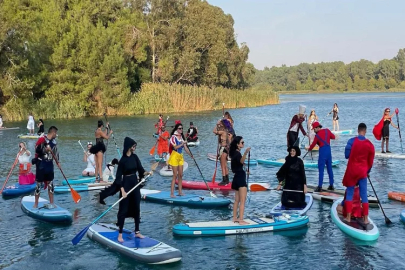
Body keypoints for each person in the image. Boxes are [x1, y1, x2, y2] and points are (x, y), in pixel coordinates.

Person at [116, 137, 151, 242]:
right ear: (129, 147)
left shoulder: (135, 157)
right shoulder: (122, 161)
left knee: (137, 207)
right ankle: (120, 234)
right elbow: (118, 178)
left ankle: (137, 231)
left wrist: (147, 173)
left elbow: (141, 170)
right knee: (123, 209)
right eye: (133, 146)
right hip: (126, 185)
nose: (135, 148)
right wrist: (122, 190)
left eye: (135, 146)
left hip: (135, 185)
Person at [342, 123, 375, 224]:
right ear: (365, 131)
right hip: (362, 172)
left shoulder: (351, 141)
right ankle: (365, 219)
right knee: (364, 194)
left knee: (350, 193)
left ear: (358, 130)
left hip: (352, 171)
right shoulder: (370, 144)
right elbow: (371, 161)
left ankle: (348, 217)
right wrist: (367, 171)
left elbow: (346, 155)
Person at [33, 126, 58, 208]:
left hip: (50, 164)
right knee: (39, 184)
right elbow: (36, 149)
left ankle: (52, 203)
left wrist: (58, 162)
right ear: (53, 132)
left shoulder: (54, 142)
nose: (56, 135)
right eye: (56, 133)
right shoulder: (42, 139)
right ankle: (36, 204)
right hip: (41, 164)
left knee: (50, 184)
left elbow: (56, 152)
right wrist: (45, 150)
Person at [309, 121, 336, 192]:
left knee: (321, 170)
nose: (314, 130)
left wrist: (309, 149)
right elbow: (333, 137)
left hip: (322, 152)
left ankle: (320, 187)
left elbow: (313, 145)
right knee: (329, 168)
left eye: (314, 129)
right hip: (328, 151)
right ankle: (331, 185)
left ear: (317, 128)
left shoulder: (317, 136)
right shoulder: (327, 130)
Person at [229, 136, 250, 224]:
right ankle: (241, 219)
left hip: (236, 177)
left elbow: (239, 164)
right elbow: (241, 161)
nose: (243, 144)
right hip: (241, 178)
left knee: (237, 200)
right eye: (242, 142)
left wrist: (245, 169)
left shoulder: (234, 154)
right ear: (237, 145)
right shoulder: (238, 154)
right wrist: (245, 153)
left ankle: (234, 217)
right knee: (242, 200)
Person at [168, 123, 193, 197]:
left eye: (182, 128)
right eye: (179, 128)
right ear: (176, 129)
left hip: (180, 156)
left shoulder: (182, 137)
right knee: (175, 175)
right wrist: (182, 144)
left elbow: (185, 148)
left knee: (181, 175)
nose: (181, 130)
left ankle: (180, 192)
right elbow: (175, 147)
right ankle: (172, 193)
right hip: (174, 156)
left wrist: (191, 155)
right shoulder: (173, 137)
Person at [213, 119, 233, 185]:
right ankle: (227, 180)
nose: (220, 124)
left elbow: (214, 131)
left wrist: (216, 124)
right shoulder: (227, 131)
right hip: (226, 149)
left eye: (221, 123)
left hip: (223, 148)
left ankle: (224, 180)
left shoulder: (222, 132)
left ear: (223, 124)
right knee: (225, 165)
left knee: (222, 165)